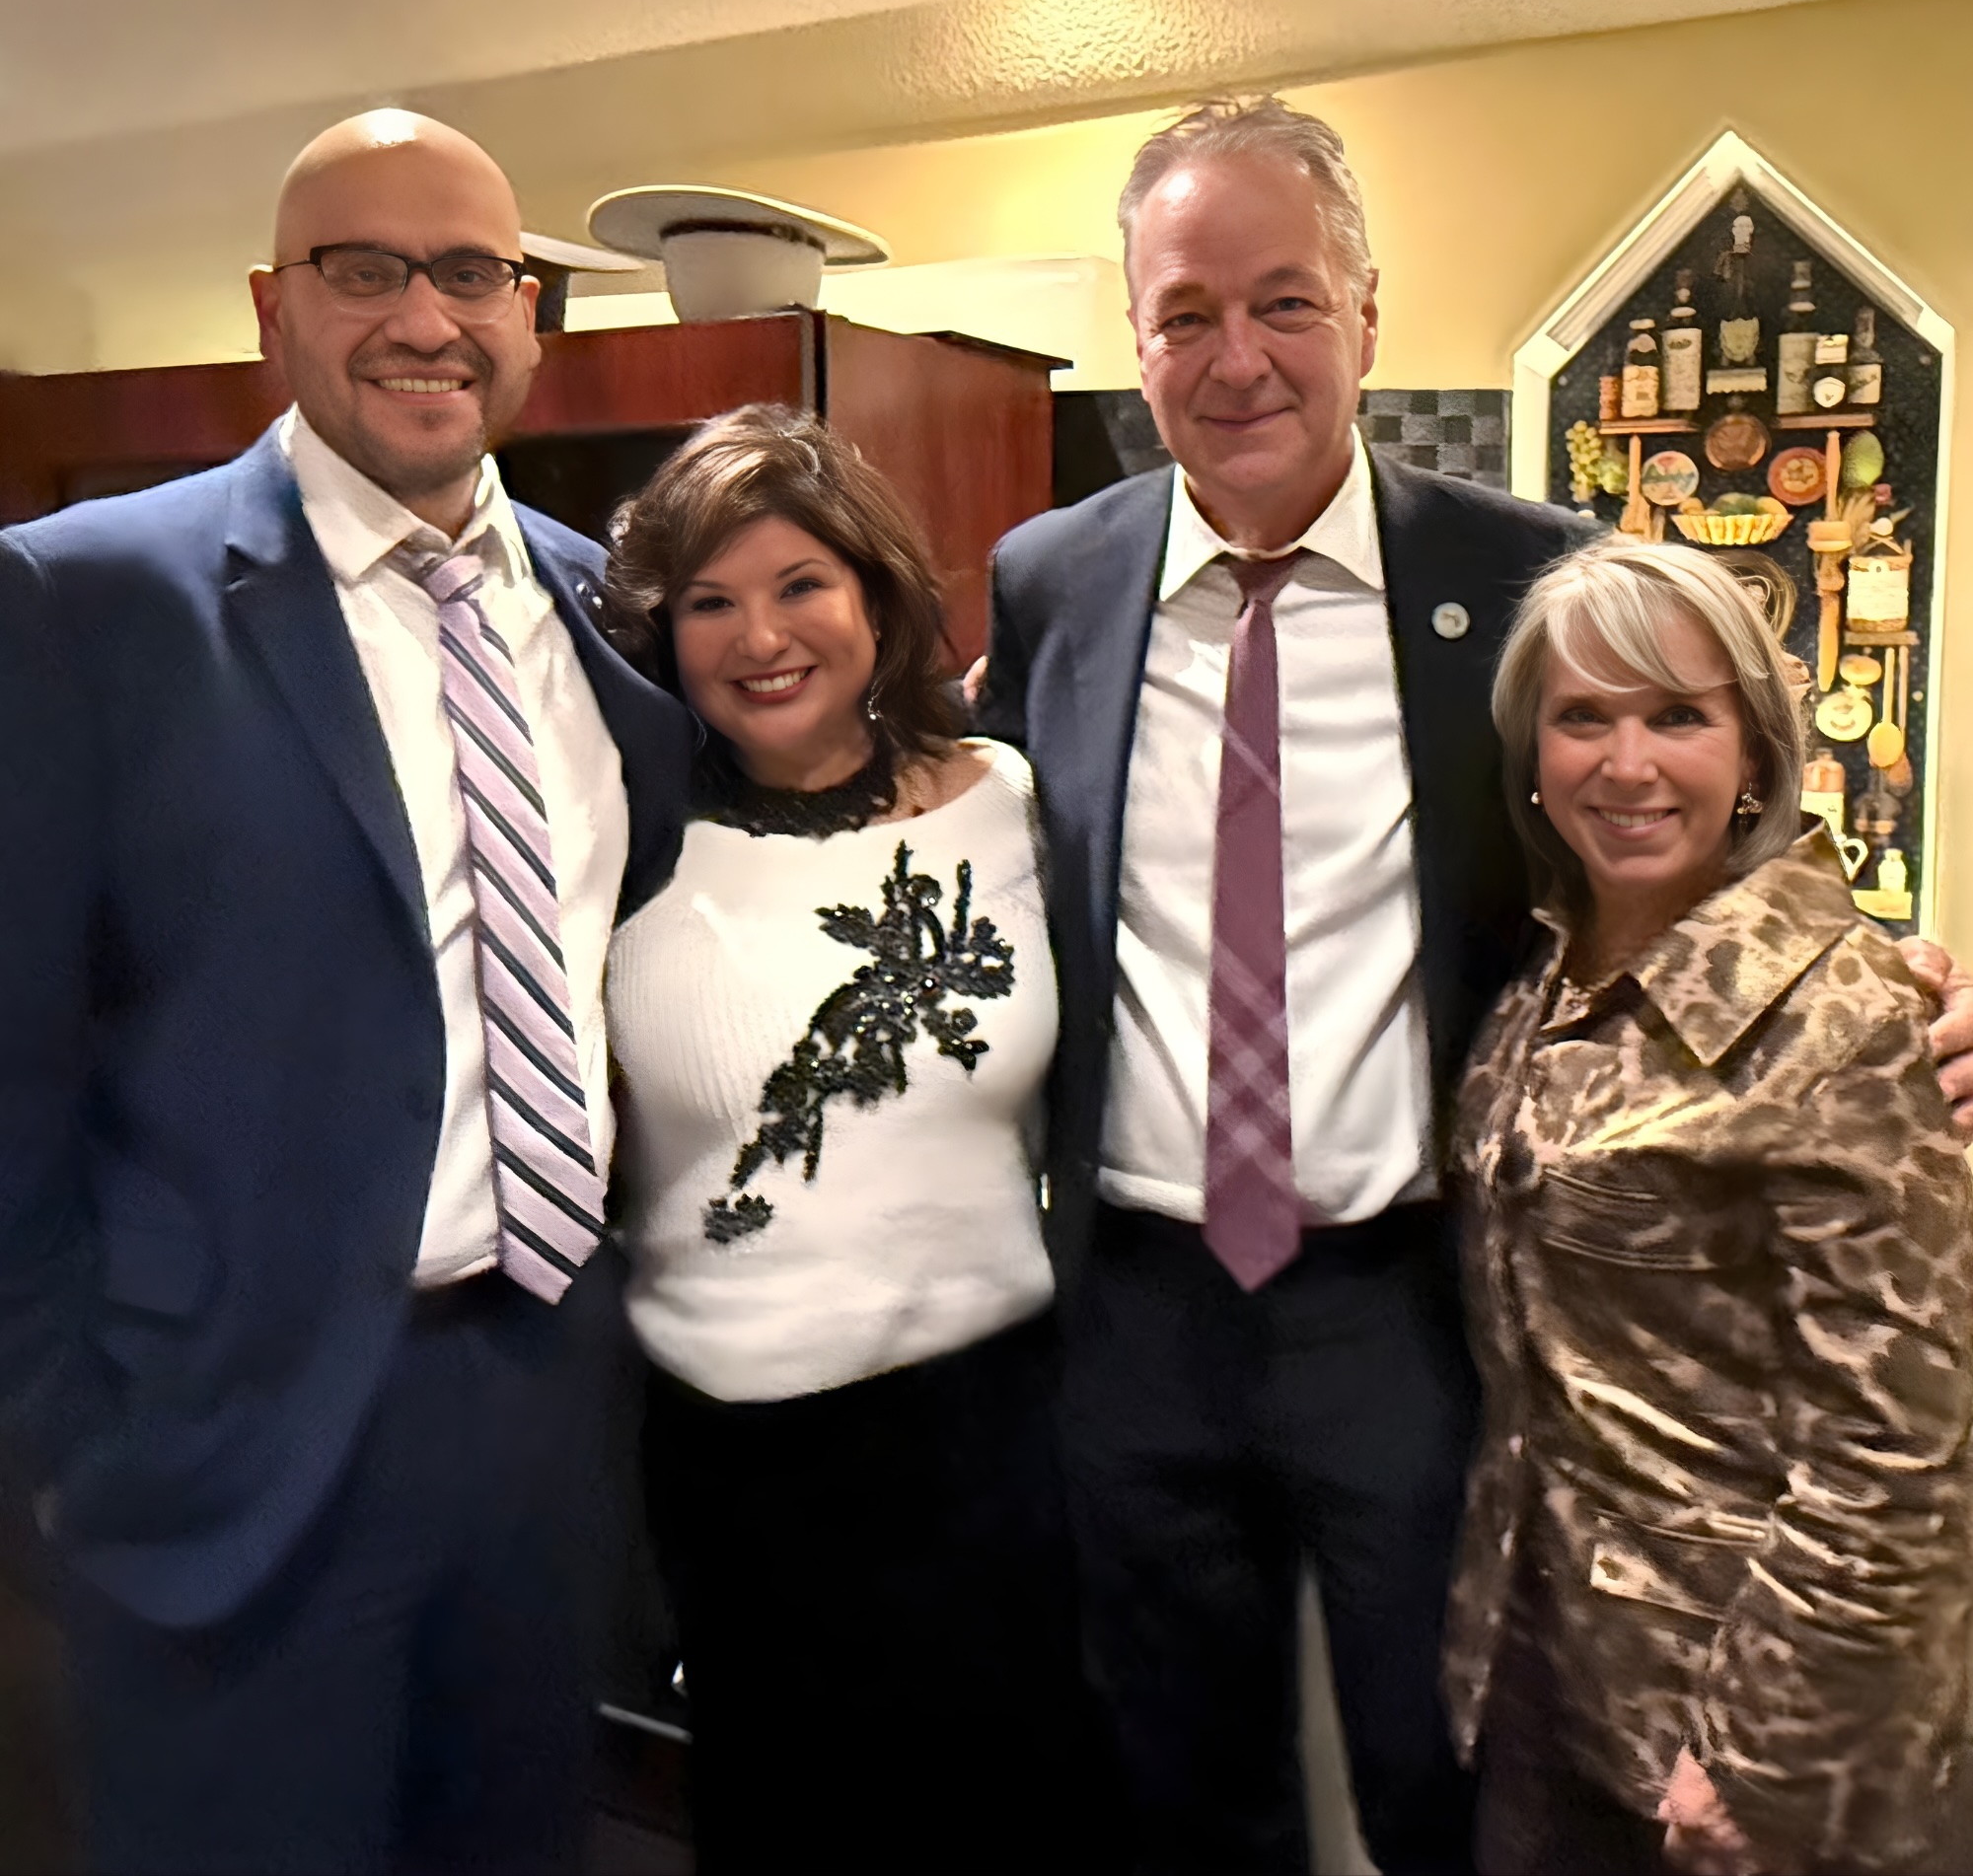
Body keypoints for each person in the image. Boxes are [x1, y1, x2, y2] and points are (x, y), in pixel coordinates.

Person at [975, 93, 1973, 1876]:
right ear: (1133, 339)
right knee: (1170, 1767)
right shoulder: (1054, 583)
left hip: (1407, 1306)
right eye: (1185, 311)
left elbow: (1691, 835)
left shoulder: (1525, 574)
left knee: (1450, 1769)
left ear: (1368, 312)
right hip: (1131, 1307)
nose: (1238, 357)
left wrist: (1911, 990)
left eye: (1286, 301)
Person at [0, 109, 692, 1874]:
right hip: (222, 1444)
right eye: (362, 268)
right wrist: (65, 1441)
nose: (423, 318)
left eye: (472, 272)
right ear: (272, 309)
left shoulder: (602, 613)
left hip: (540, 1408)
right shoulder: (87, 602)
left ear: (533, 317)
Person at [602, 404, 1108, 1875]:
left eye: (798, 584)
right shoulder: (622, 844)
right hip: (737, 1471)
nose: (761, 636)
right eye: (711, 601)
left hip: (1002, 1449)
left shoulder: (1012, 806)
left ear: (877, 597)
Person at [1447, 538, 1973, 1876]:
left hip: (1739, 1721)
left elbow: (1897, 1451)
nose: (1628, 766)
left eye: (1678, 715)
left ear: (1755, 747)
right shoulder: (1552, 963)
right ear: (1531, 752)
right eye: (1585, 718)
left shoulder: (1844, 1017)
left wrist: (1761, 1753)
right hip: (1545, 1672)